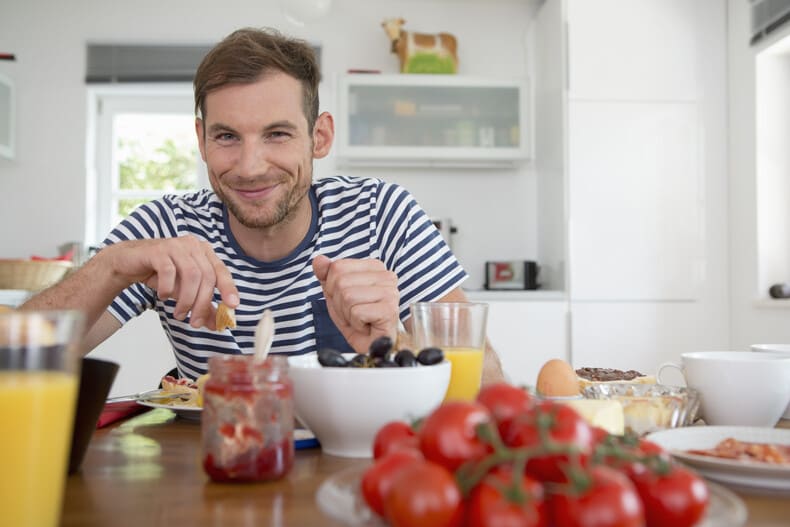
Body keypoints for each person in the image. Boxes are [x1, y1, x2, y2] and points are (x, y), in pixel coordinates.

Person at [23, 27, 504, 384]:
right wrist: (109, 267)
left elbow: (489, 383)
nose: (250, 167)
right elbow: (15, 361)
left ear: (320, 137)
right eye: (227, 136)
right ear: (201, 140)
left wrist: (395, 343)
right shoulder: (166, 226)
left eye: (277, 134)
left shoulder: (381, 214)